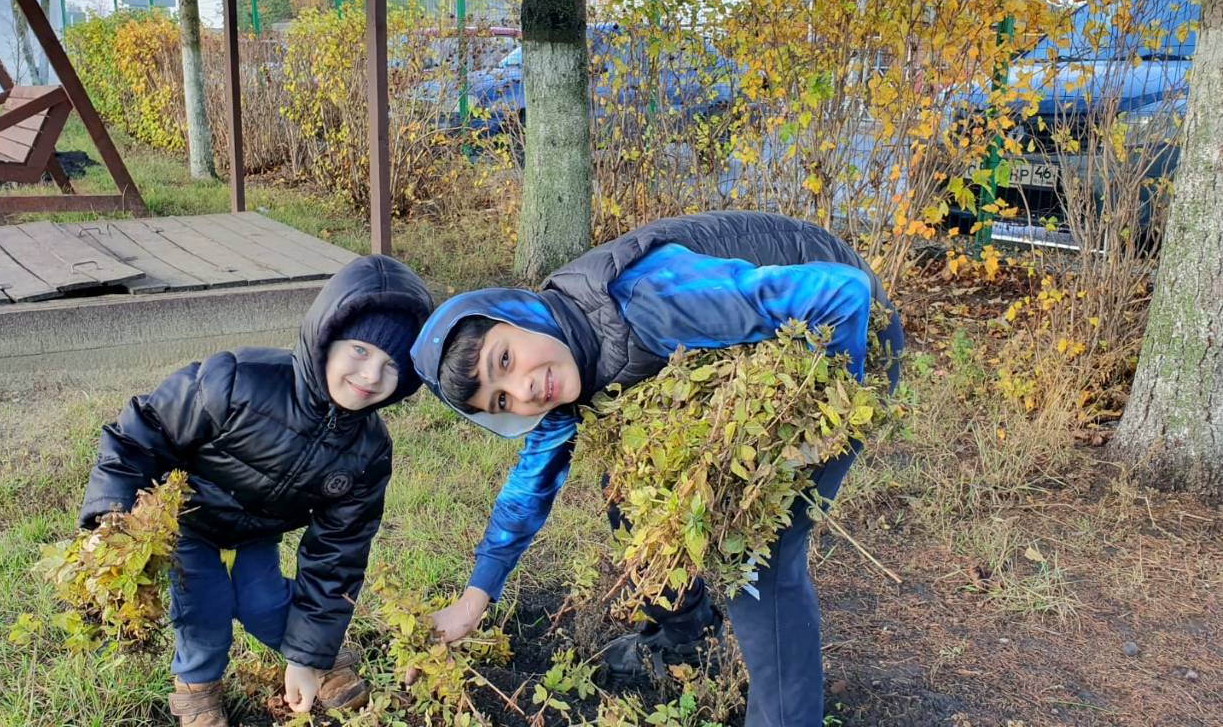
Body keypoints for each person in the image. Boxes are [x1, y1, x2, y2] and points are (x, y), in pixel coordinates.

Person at [410, 210, 903, 727]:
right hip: (756, 342)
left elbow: (842, 294)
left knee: (759, 551)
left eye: (505, 361)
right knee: (628, 488)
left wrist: (817, 420)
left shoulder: (651, 302)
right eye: (501, 402)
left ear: (518, 315)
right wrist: (474, 600)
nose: (523, 391)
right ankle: (686, 638)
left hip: (841, 338)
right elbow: (530, 488)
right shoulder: (559, 358)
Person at [79, 255, 433, 727]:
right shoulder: (237, 381)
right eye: (360, 350)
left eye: (392, 365)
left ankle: (318, 660)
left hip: (256, 532)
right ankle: (196, 688)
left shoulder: (368, 452)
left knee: (263, 604)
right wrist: (112, 516)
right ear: (325, 337)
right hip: (186, 522)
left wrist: (304, 656)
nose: (371, 376)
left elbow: (338, 555)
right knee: (203, 610)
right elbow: (139, 434)